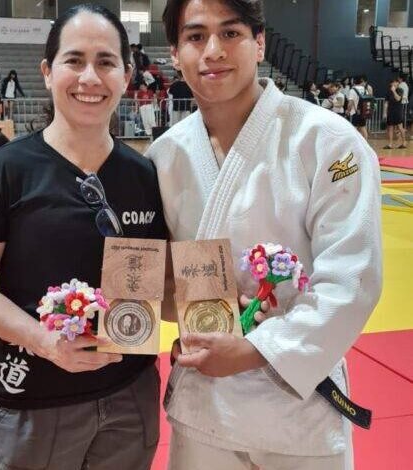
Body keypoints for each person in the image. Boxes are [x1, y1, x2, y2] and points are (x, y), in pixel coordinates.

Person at [147, 1, 382, 469]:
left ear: (259, 43)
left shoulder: (328, 141)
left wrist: (254, 349)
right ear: (175, 53)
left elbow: (352, 280)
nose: (213, 50)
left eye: (230, 33)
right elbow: (161, 284)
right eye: (195, 36)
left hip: (299, 406)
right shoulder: (164, 156)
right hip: (206, 406)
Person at [0, 6, 167, 470]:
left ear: (126, 76)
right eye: (74, 60)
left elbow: (151, 284)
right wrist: (43, 340)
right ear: (48, 72)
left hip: (130, 397)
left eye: (106, 62)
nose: (90, 77)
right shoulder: (3, 172)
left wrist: (232, 308)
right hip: (34, 400)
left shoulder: (144, 175)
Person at [384, 78, 406, 149]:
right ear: (391, 84)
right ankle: (390, 144)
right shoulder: (388, 91)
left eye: (396, 82)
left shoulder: (400, 90)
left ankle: (404, 142)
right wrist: (385, 112)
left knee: (400, 127)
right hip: (390, 111)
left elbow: (398, 99)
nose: (395, 84)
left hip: (398, 111)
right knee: (390, 127)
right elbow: (386, 103)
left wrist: (394, 91)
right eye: (393, 82)